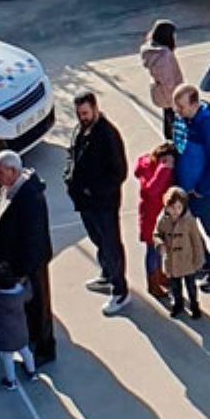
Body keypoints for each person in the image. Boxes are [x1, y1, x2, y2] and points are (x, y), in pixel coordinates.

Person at [63, 91, 130, 315]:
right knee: (98, 239)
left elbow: (119, 172)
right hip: (85, 202)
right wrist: (69, 176)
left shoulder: (107, 135)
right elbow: (71, 155)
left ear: (95, 108)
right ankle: (107, 274)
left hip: (103, 203)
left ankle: (120, 290)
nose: (82, 117)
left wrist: (94, 190)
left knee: (111, 244)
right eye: (79, 113)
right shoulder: (80, 130)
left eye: (85, 113)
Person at [0, 150, 55, 365]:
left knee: (38, 307)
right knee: (28, 309)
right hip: (17, 262)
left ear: (13, 171)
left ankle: (44, 349)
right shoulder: (11, 189)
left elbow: (33, 239)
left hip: (30, 265)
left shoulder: (30, 199)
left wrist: (22, 271)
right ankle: (32, 342)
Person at [172, 84, 210, 290]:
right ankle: (204, 262)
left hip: (205, 191)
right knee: (191, 228)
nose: (178, 111)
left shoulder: (208, 124)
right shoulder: (184, 119)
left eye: (182, 106)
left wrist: (201, 188)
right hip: (187, 188)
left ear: (194, 104)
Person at [154, 188, 205, 320]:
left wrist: (198, 260)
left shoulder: (189, 221)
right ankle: (178, 304)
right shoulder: (163, 220)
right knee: (175, 286)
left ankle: (194, 305)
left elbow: (196, 242)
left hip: (187, 261)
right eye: (172, 208)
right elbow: (157, 234)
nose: (175, 211)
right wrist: (159, 244)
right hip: (171, 261)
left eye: (179, 207)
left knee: (191, 286)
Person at [134, 141, 176, 300]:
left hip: (149, 215)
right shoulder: (161, 171)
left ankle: (158, 276)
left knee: (156, 250)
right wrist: (164, 170)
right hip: (153, 217)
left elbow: (138, 171)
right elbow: (152, 190)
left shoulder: (146, 163)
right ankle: (153, 283)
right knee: (153, 251)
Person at [0, 263, 37, 390]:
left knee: (7, 357)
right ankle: (32, 371)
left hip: (4, 335)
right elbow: (29, 294)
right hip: (21, 331)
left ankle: (11, 380)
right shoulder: (20, 293)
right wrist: (27, 281)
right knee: (26, 351)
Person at [141, 19, 184, 138]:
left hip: (159, 90)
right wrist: (176, 98)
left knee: (167, 116)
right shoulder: (164, 55)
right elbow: (168, 81)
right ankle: (173, 142)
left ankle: (170, 139)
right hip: (169, 93)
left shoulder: (152, 50)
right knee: (174, 120)